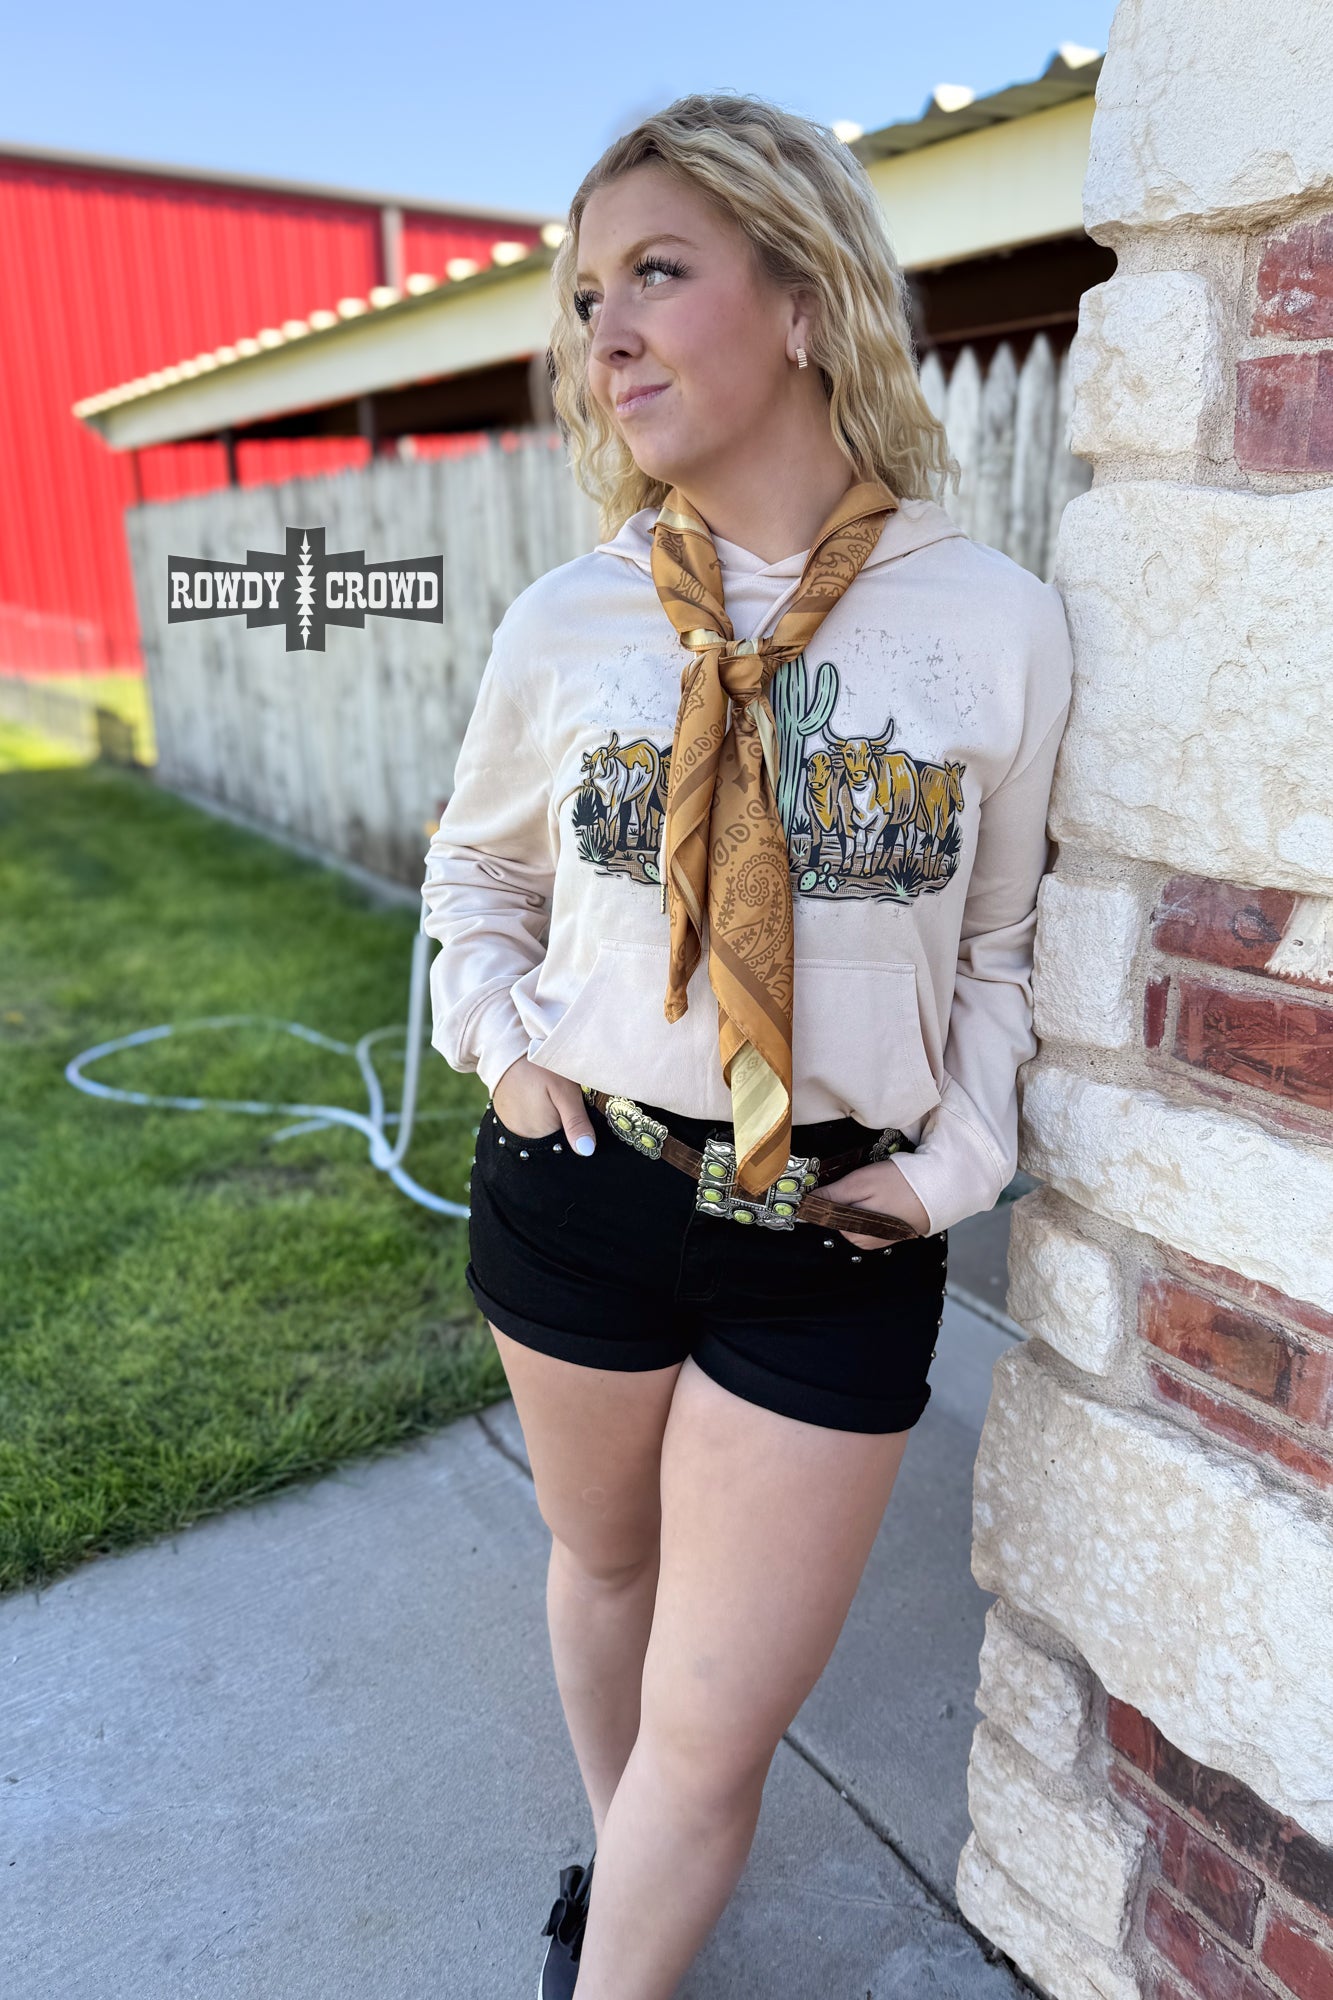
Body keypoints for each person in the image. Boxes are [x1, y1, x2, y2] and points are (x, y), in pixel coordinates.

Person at [421, 91, 1073, 2000]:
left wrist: (950, 1174)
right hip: (580, 1188)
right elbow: (476, 870)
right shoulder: (570, 621)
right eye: (584, 298)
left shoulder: (993, 625)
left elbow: (1006, 948)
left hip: (831, 1237)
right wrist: (502, 1050)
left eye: (654, 274)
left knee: (714, 1731)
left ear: (802, 302)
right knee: (605, 1570)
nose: (602, 332)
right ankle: (614, 1865)